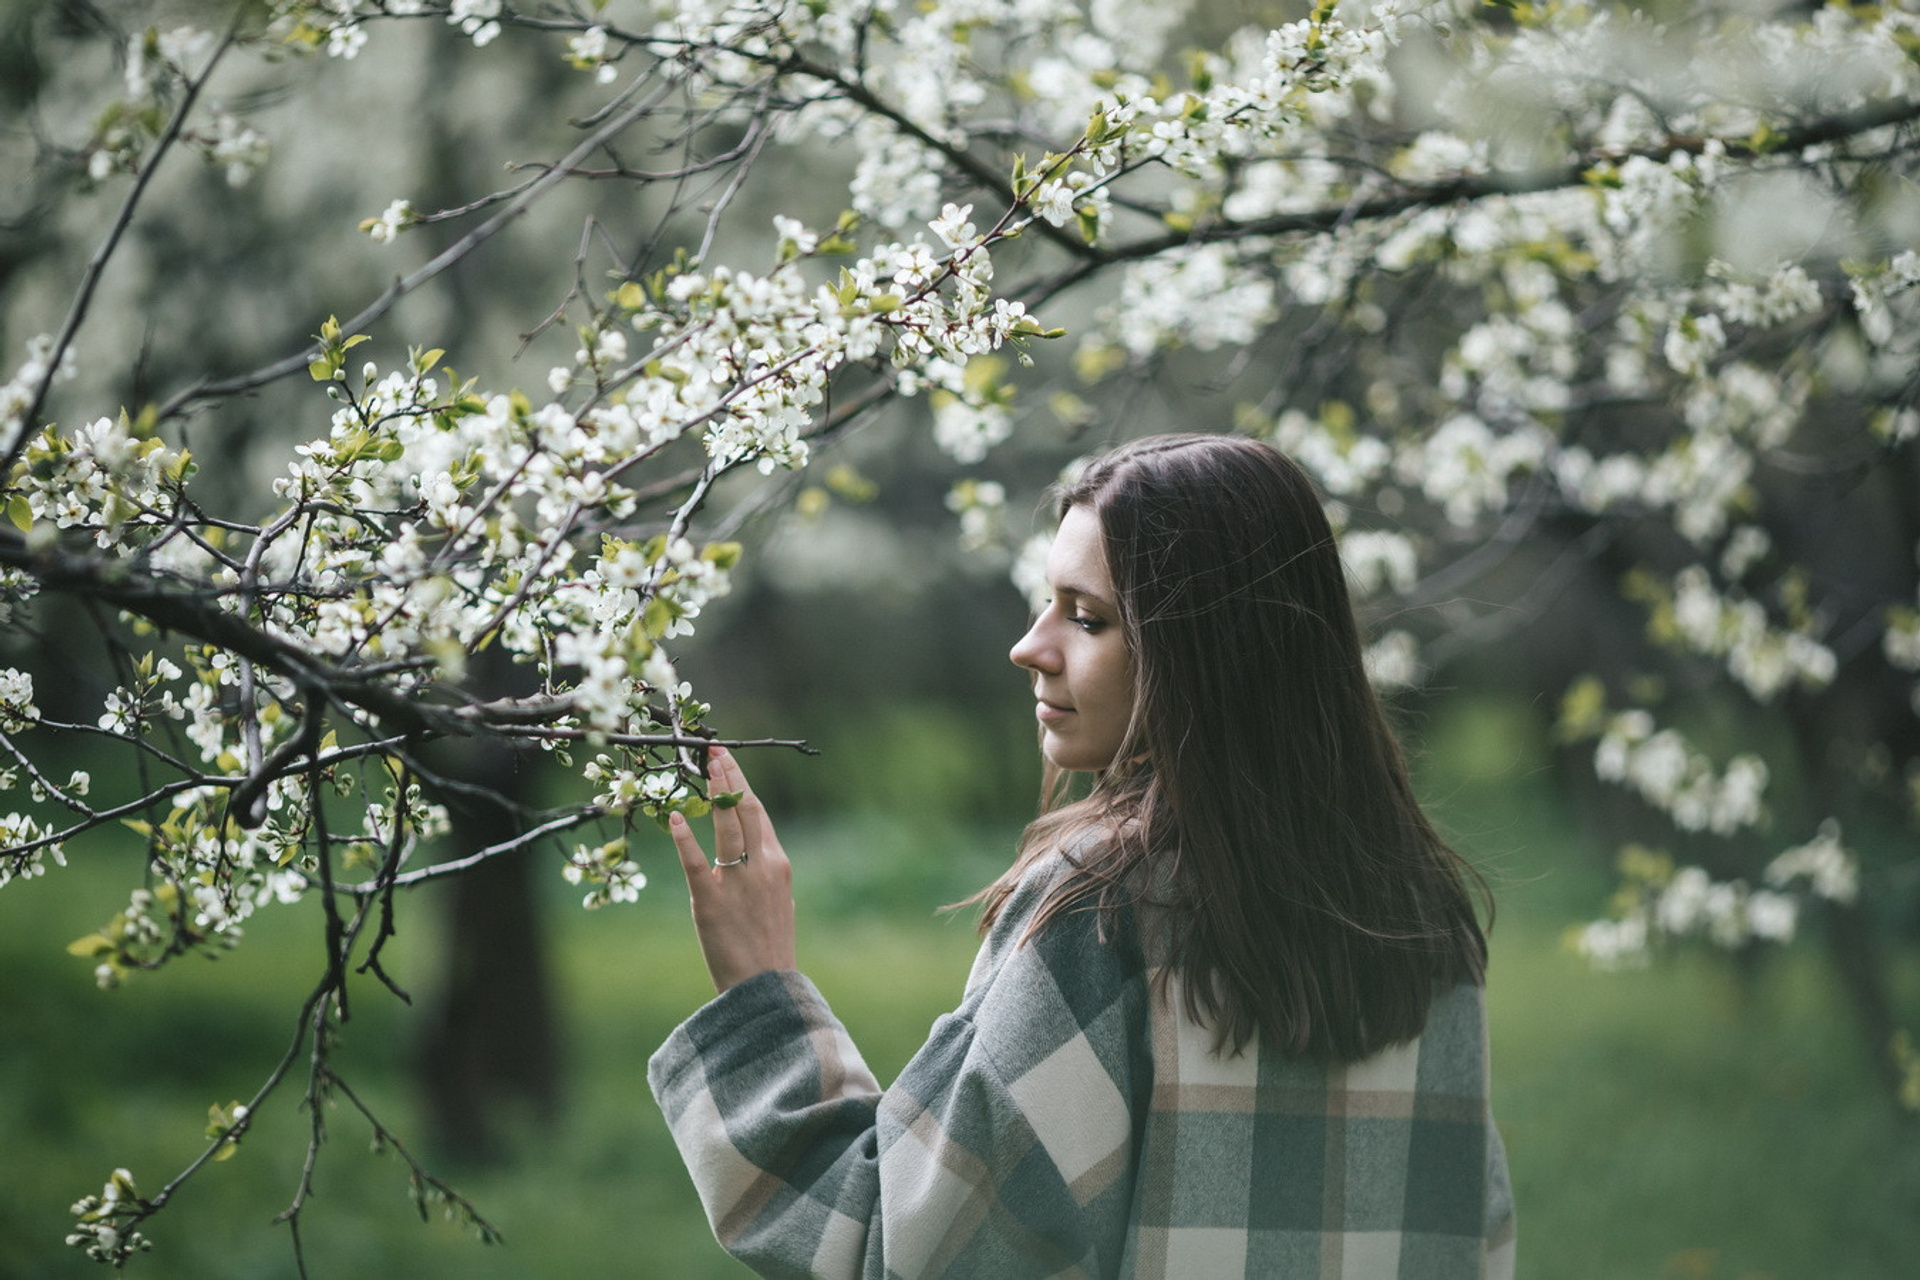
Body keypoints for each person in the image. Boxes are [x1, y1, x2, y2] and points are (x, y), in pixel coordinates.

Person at [647, 433, 1516, 1277]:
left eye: (1087, 617)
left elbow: (899, 1252)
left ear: (1206, 653)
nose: (1030, 647)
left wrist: (761, 992)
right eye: (1047, 603)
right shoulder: (1425, 917)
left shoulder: (1107, 910)